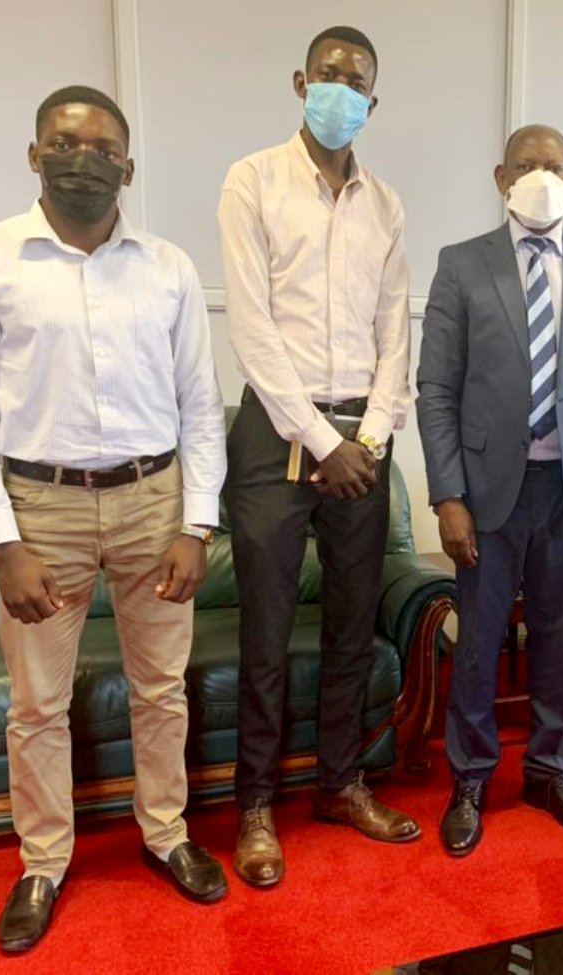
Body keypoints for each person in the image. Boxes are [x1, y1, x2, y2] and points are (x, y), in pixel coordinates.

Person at [0, 85, 229, 952]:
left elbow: (201, 408)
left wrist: (197, 524)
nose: (83, 160)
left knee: (162, 688)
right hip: (41, 510)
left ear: (128, 167)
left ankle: (167, 832)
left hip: (153, 500)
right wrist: (2, 542)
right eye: (64, 144)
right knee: (35, 703)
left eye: (103, 148)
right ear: (34, 155)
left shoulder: (169, 266)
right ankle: (42, 860)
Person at [218, 26, 415, 888]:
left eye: (357, 80)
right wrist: (323, 440)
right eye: (328, 74)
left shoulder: (386, 203)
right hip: (275, 433)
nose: (340, 88)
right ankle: (255, 804)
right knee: (264, 628)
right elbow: (252, 329)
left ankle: (340, 782)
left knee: (349, 623)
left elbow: (395, 332)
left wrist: (367, 439)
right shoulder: (251, 179)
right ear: (302, 81)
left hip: (361, 444)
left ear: (374, 101)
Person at [417, 124, 563, 857]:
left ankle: (550, 771)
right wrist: (447, 493)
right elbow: (435, 387)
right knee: (479, 643)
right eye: (525, 164)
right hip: (486, 493)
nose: (539, 175)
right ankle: (472, 777)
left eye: (554, 166)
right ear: (499, 176)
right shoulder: (461, 264)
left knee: (558, 640)